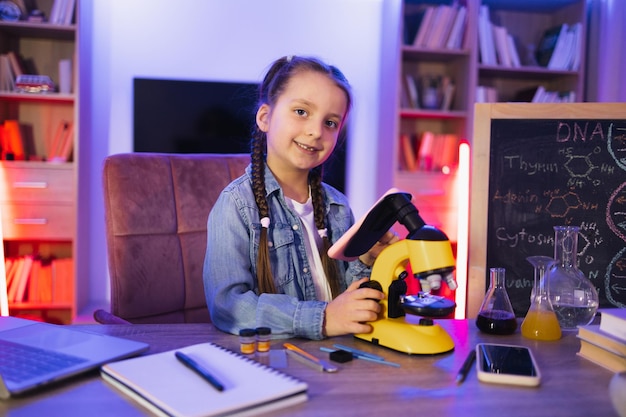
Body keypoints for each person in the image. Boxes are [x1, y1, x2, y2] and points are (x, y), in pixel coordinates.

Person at [203, 55, 398, 340]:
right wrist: (323, 318)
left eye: (330, 123)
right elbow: (228, 307)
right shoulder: (235, 205)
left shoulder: (338, 207)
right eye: (301, 112)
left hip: (335, 358)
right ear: (265, 118)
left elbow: (346, 302)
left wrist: (367, 261)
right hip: (276, 360)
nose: (315, 131)